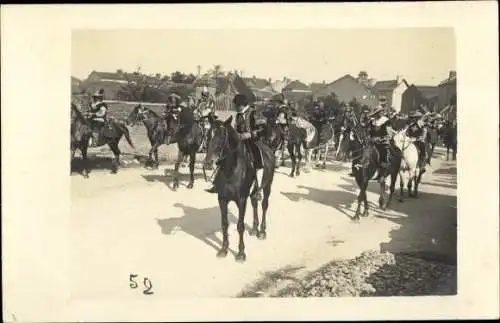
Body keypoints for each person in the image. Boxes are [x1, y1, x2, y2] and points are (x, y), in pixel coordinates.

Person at [205, 94, 265, 196]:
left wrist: (250, 134)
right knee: (224, 155)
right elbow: (237, 128)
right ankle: (217, 183)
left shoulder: (254, 113)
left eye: (236, 105)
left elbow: (262, 129)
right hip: (239, 140)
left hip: (252, 141)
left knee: (258, 160)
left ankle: (258, 189)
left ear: (242, 105)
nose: (235, 107)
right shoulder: (238, 114)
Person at [366, 106, 397, 180]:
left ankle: (383, 173)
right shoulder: (372, 122)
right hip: (373, 142)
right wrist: (370, 137)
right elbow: (369, 132)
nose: (381, 113)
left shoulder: (386, 121)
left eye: (382, 111)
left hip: (383, 142)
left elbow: (389, 134)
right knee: (365, 151)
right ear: (376, 113)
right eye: (379, 112)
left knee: (383, 153)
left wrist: (380, 139)